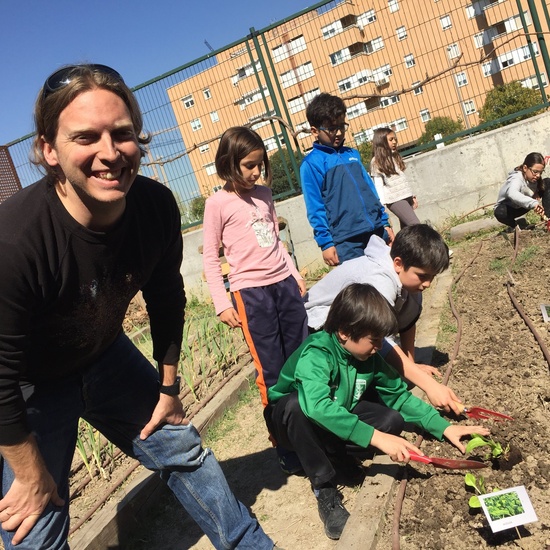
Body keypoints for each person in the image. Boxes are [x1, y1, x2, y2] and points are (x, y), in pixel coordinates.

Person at [0, 64, 277, 550]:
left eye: (122, 134)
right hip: (30, 387)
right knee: (32, 528)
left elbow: (166, 296)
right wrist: (28, 472)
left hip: (106, 357)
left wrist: (167, 387)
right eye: (85, 137)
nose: (109, 153)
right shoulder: (15, 243)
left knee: (182, 448)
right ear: (49, 149)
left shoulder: (155, 207)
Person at [265, 284, 490, 540]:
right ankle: (324, 487)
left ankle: (337, 456)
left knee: (391, 421)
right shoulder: (317, 354)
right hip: (292, 422)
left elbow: (398, 396)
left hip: (339, 408)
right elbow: (316, 407)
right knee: (297, 406)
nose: (378, 347)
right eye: (374, 341)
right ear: (344, 332)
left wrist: (444, 427)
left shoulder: (368, 358)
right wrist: (377, 438)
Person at [202, 126, 309, 471]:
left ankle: (310, 426)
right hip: (251, 294)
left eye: (260, 165)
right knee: (273, 372)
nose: (256, 172)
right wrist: (222, 301)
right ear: (229, 163)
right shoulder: (217, 204)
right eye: (249, 165)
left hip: (284, 286)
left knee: (301, 360)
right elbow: (209, 257)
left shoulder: (264, 194)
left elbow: (276, 241)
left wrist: (293, 274)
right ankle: (284, 441)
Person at [304, 223, 462, 415]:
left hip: (359, 327)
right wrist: (429, 385)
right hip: (323, 323)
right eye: (422, 276)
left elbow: (408, 321)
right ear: (398, 263)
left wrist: (411, 369)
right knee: (372, 355)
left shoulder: (410, 281)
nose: (427, 283)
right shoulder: (380, 280)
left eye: (432, 277)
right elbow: (380, 338)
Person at [300, 93, 394, 266]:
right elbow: (315, 207)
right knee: (362, 289)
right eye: (331, 128)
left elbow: (370, 191)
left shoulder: (352, 154)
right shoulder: (311, 164)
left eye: (342, 126)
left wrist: (384, 222)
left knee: (389, 278)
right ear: (314, 131)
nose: (338, 133)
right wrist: (326, 243)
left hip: (376, 230)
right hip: (347, 241)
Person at [370, 127, 420, 229]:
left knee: (407, 230)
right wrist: (381, 205)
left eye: (395, 139)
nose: (394, 142)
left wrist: (412, 196)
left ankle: (402, 245)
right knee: (416, 226)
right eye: (391, 139)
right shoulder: (376, 161)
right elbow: (378, 185)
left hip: (406, 196)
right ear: (381, 142)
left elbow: (402, 179)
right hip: (395, 200)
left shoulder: (394, 157)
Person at [494, 152, 549, 228]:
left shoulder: (532, 177)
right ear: (525, 168)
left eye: (541, 172)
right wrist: (533, 203)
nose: (538, 175)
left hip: (524, 205)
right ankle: (515, 226)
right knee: (500, 212)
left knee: (548, 182)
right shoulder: (516, 178)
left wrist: (536, 192)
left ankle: (548, 219)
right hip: (510, 209)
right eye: (535, 172)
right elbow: (512, 193)